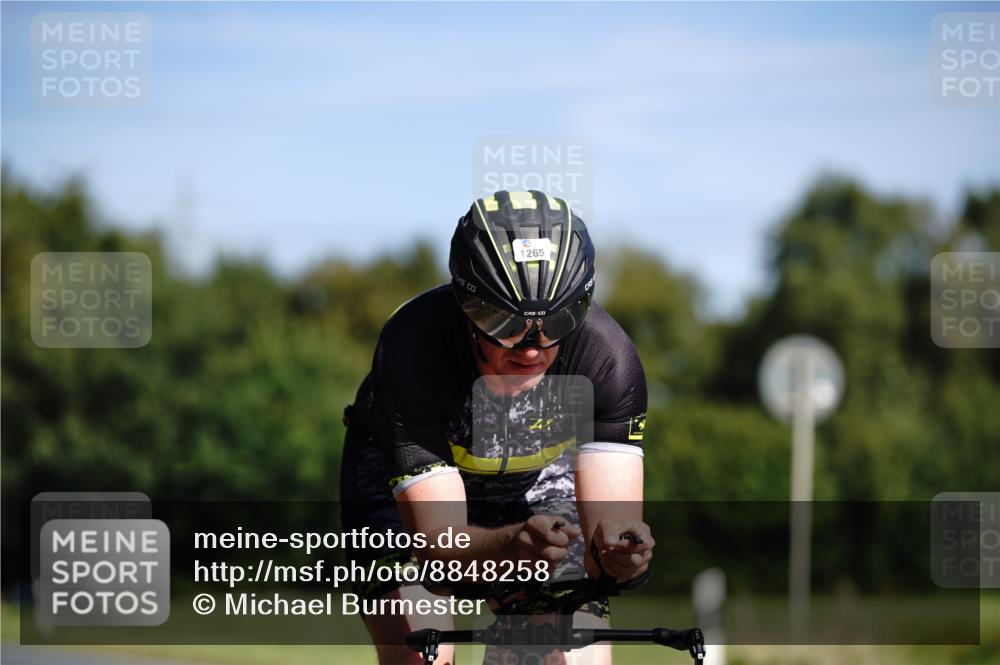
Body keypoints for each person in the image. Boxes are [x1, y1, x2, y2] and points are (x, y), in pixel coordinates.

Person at [340, 190, 653, 665]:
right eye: (504, 323)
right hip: (407, 490)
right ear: (466, 305)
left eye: (558, 321)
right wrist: (510, 546)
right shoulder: (413, 346)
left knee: (572, 655)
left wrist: (617, 558)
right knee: (423, 652)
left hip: (533, 483)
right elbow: (438, 548)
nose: (532, 348)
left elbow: (603, 549)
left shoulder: (606, 359)